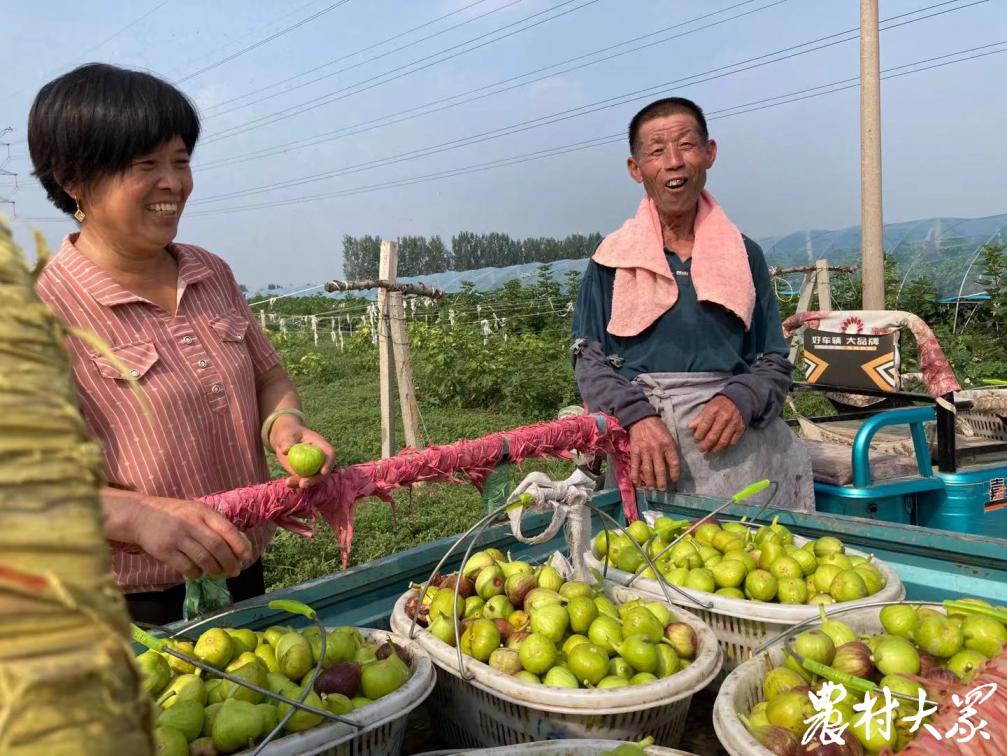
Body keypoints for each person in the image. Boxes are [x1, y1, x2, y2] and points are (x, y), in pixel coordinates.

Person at [29, 63, 337, 624]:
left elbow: (268, 377)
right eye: (146, 165)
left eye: (180, 161)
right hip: (129, 603)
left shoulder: (210, 272)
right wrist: (140, 519)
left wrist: (284, 426)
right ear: (74, 181)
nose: (173, 183)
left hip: (238, 561)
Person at [572, 97, 813, 510]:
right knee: (645, 565)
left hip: (737, 456)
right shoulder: (611, 259)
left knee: (748, 562)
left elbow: (773, 359)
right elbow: (587, 360)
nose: (673, 162)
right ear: (636, 169)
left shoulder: (744, 255)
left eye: (686, 145)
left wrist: (741, 398)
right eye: (656, 151)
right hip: (645, 452)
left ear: (709, 153)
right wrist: (638, 417)